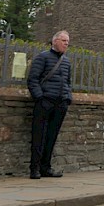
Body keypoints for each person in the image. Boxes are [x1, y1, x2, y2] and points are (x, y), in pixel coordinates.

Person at [27, 30, 72, 179]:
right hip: (45, 101)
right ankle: (35, 169)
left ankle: (46, 167)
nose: (66, 43)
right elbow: (33, 79)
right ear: (55, 41)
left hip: (60, 103)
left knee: (51, 137)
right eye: (64, 40)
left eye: (67, 41)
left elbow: (67, 82)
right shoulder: (43, 57)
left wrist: (67, 98)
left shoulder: (66, 61)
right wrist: (40, 97)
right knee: (39, 136)